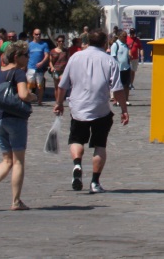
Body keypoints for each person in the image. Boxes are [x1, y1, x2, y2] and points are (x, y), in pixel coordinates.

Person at [54, 29, 129, 194]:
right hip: (100, 108)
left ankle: (77, 164)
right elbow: (117, 89)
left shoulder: (75, 58)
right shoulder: (109, 61)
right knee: (99, 145)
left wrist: (59, 103)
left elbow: (62, 84)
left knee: (76, 139)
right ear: (104, 44)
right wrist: (124, 109)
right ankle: (95, 182)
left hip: (78, 107)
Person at [0, 41, 37, 210]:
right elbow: (23, 94)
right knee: (18, 161)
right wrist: (32, 97)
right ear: (16, 56)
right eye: (25, 55)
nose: (28, 58)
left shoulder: (0, 73)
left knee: (6, 160)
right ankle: (15, 201)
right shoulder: (18, 73)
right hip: (15, 118)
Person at [26, 29, 50, 106]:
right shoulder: (29, 45)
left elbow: (47, 55)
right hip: (31, 67)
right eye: (36, 34)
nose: (38, 36)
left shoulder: (44, 44)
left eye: (39, 34)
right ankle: (28, 100)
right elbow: (26, 55)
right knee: (30, 85)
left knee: (40, 86)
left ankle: (39, 101)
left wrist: (42, 62)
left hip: (40, 69)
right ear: (33, 34)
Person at [109, 30, 131, 106]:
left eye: (126, 36)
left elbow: (127, 56)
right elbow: (113, 57)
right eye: (124, 36)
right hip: (118, 68)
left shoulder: (126, 45)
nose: (126, 38)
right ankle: (116, 100)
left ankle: (126, 100)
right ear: (119, 36)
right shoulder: (115, 45)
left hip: (126, 68)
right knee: (117, 85)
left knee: (126, 85)